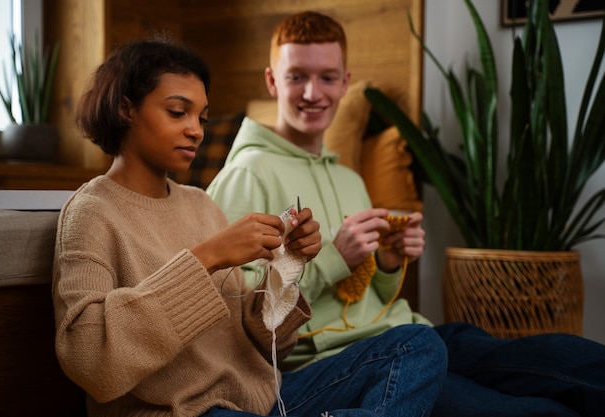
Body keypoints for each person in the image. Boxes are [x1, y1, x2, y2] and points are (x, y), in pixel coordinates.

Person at [207, 10, 605, 417]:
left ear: (346, 82)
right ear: (272, 81)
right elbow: (235, 306)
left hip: (414, 333)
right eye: (296, 77)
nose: (313, 92)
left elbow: (365, 295)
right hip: (346, 361)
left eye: (327, 77)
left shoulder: (348, 177)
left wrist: (387, 262)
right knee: (545, 412)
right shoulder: (247, 174)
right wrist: (334, 258)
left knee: (570, 358)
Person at [52, 37, 447, 417]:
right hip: (182, 409)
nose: (196, 130)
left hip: (264, 398)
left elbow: (260, 338)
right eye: (178, 112)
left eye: (202, 117)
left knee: (418, 344)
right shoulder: (92, 212)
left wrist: (288, 265)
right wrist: (208, 256)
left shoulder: (200, 203)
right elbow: (89, 357)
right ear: (126, 109)